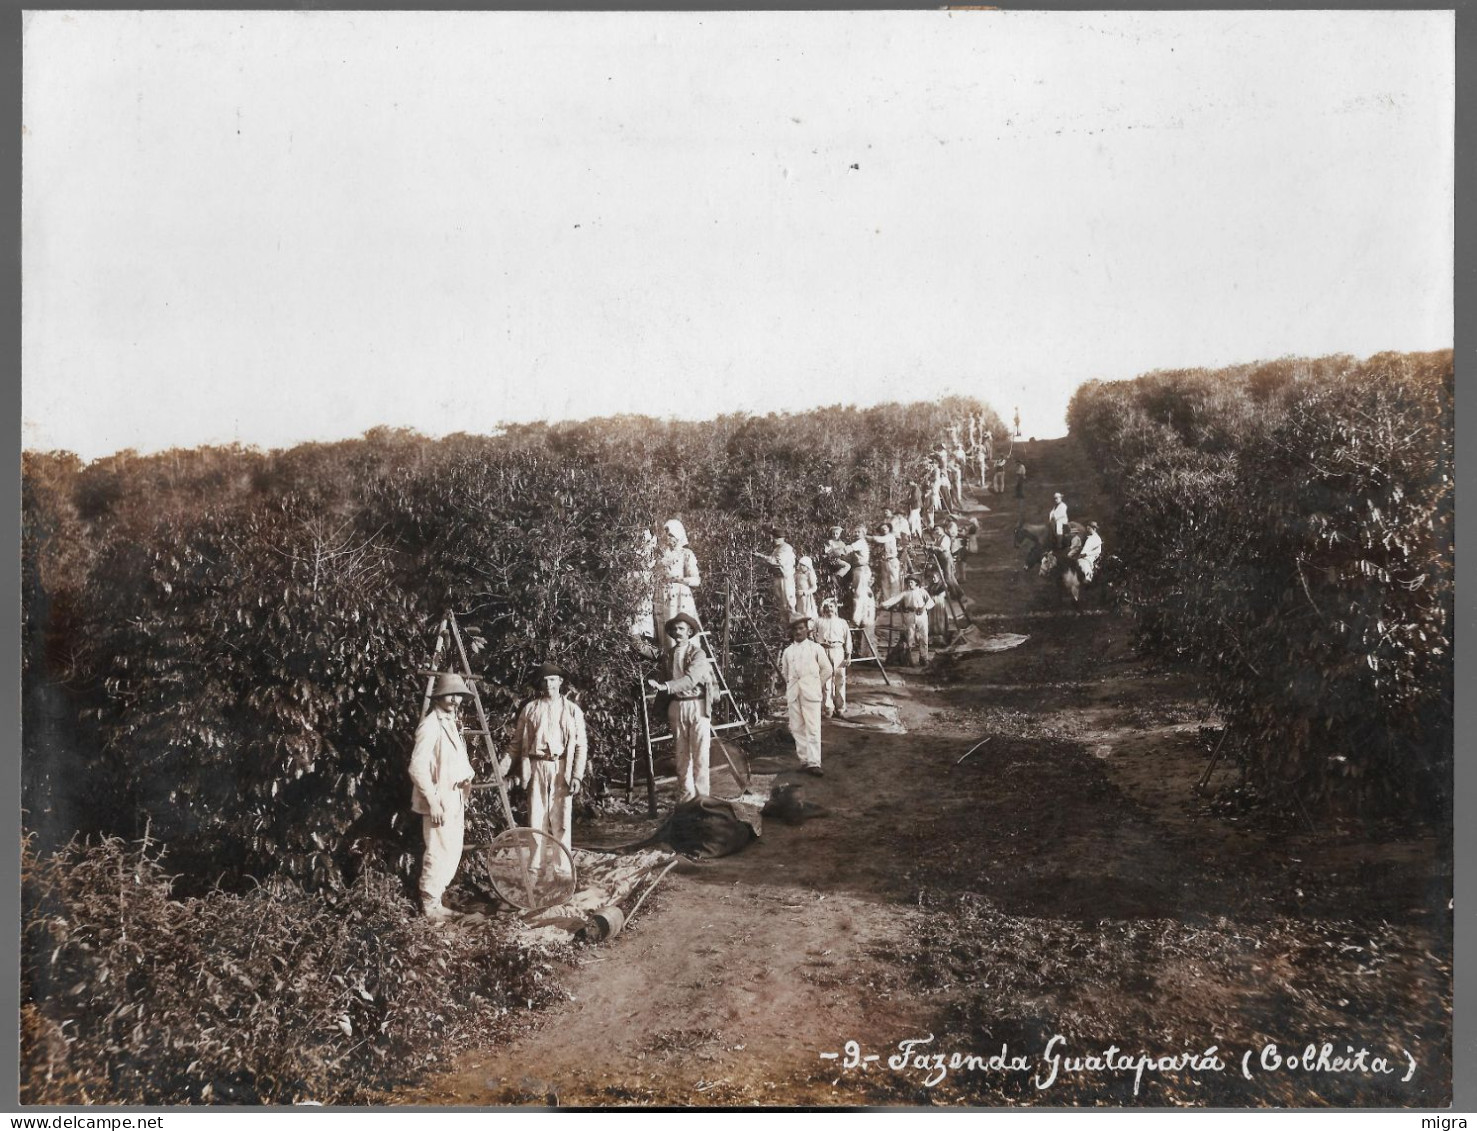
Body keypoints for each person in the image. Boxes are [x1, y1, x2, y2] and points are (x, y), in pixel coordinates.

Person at [409, 673, 486, 921]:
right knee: (437, 851)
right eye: (449, 695)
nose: (454, 700)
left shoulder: (451, 722)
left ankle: (437, 903)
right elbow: (417, 767)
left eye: (458, 695)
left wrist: (466, 780)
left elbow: (454, 759)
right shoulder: (430, 725)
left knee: (451, 850)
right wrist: (432, 801)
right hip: (439, 798)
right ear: (439, 697)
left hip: (454, 795)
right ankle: (429, 907)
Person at [510, 662, 588, 856]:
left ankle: (562, 872)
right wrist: (501, 771)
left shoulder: (572, 710)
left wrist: (577, 776)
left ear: (560, 681)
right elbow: (516, 744)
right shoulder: (530, 709)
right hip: (536, 767)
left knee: (561, 821)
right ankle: (535, 871)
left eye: (552, 680)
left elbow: (581, 745)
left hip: (562, 767)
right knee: (536, 820)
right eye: (544, 681)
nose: (548, 685)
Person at [647, 614, 713, 802]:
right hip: (676, 706)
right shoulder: (668, 655)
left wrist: (665, 686)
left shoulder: (698, 654)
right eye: (675, 629)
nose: (678, 632)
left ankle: (703, 800)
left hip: (697, 705)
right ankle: (686, 798)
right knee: (682, 756)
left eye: (682, 629)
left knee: (700, 755)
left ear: (690, 632)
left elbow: (691, 680)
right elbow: (658, 670)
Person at [780, 615, 834, 775]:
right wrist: (791, 685)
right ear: (792, 632)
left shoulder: (815, 648)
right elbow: (785, 672)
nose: (798, 631)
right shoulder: (788, 651)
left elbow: (828, 669)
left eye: (801, 628)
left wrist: (816, 684)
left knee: (813, 727)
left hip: (811, 692)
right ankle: (804, 760)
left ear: (807, 630)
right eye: (795, 629)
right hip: (794, 693)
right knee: (796, 727)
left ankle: (814, 762)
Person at [653, 519, 701, 651]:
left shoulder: (686, 554)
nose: (668, 538)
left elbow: (696, 580)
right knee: (666, 633)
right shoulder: (661, 555)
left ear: (678, 535)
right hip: (663, 596)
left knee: (681, 627)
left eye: (671, 535)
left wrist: (679, 579)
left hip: (680, 597)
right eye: (667, 535)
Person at [880, 575, 936, 666]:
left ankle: (924, 657)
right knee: (910, 637)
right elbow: (894, 599)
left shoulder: (922, 591)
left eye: (911, 582)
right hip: (909, 615)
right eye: (908, 582)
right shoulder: (905, 593)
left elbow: (931, 602)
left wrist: (924, 607)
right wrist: (883, 604)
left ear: (916, 583)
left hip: (921, 615)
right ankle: (907, 658)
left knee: (924, 636)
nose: (909, 584)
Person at [812, 596, 852, 718]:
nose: (829, 609)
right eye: (826, 607)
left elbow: (848, 639)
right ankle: (828, 707)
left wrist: (848, 655)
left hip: (838, 650)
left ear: (835, 608)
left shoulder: (842, 622)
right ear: (823, 609)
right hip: (824, 650)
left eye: (831, 606)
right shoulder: (819, 621)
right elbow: (813, 636)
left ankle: (840, 707)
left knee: (840, 680)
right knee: (826, 681)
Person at [755, 530, 798, 628]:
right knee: (781, 602)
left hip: (786, 578)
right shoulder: (777, 549)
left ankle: (794, 625)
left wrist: (760, 555)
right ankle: (785, 626)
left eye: (777, 538)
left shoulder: (786, 548)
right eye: (774, 538)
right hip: (778, 577)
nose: (774, 540)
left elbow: (776, 561)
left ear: (782, 538)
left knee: (789, 601)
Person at [869, 521, 901, 601]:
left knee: (894, 581)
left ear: (889, 528)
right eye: (882, 528)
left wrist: (868, 537)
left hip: (892, 561)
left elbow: (878, 539)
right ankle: (887, 602)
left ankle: (894, 601)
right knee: (885, 582)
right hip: (884, 561)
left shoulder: (890, 536)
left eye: (885, 528)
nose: (884, 529)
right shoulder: (882, 539)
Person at [794, 554, 820, 621]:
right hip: (797, 596)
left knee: (806, 613)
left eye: (803, 565)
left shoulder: (809, 574)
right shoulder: (797, 574)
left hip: (805, 597)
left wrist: (805, 592)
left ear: (807, 566)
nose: (801, 567)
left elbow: (814, 587)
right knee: (798, 613)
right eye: (801, 565)